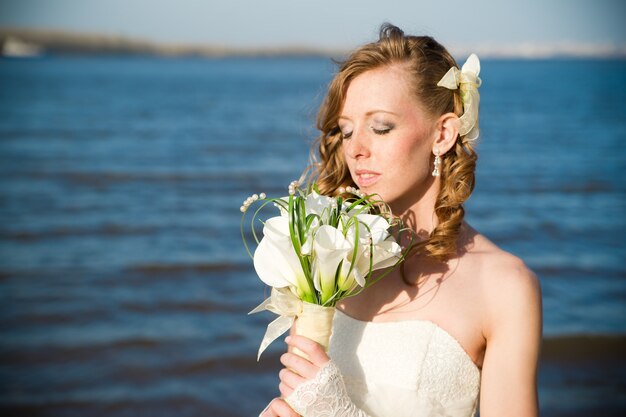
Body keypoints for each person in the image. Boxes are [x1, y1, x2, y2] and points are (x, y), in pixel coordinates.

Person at [260, 23, 542, 417]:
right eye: (346, 130)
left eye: (381, 127)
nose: (355, 149)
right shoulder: (326, 256)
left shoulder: (504, 286)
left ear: (442, 134)